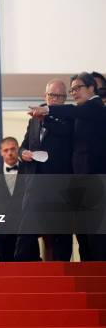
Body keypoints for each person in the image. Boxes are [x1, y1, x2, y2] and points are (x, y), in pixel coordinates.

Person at [30, 72, 106, 261]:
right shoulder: (82, 111)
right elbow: (66, 130)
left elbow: (71, 110)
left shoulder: (95, 106)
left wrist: (48, 110)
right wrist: (44, 120)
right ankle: (90, 281)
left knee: (97, 238)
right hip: (80, 183)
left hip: (94, 181)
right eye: (72, 89)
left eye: (77, 88)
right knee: (84, 236)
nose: (74, 92)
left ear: (91, 88)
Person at [17, 79, 74, 261]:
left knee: (60, 235)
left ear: (65, 98)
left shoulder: (70, 117)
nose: (55, 99)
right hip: (34, 184)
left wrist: (46, 117)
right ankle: (24, 275)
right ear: (45, 95)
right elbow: (24, 145)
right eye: (51, 95)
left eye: (59, 96)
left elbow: (65, 133)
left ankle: (63, 278)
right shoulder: (34, 118)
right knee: (25, 233)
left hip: (59, 187)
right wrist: (22, 153)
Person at [0, 138, 28, 262]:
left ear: (18, 149)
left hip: (26, 230)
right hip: (1, 231)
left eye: (13, 149)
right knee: (6, 269)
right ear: (1, 152)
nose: (10, 153)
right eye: (6, 150)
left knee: (30, 269)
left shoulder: (29, 171)